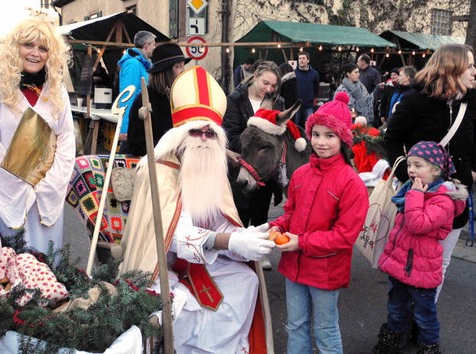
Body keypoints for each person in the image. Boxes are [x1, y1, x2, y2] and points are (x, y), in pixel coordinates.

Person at [118, 66, 275, 353]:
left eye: (210, 133)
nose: (204, 139)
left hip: (202, 261)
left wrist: (243, 237)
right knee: (173, 307)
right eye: (196, 132)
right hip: (160, 267)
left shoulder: (212, 169)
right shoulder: (158, 171)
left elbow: (220, 222)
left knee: (246, 279)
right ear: (180, 135)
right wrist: (227, 241)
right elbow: (172, 236)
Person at [268, 92, 368, 354]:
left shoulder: (351, 183)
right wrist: (278, 225)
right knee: (295, 325)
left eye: (330, 135)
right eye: (316, 134)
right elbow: (292, 212)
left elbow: (344, 236)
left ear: (343, 139)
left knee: (325, 329)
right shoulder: (300, 174)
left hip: (326, 270)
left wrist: (300, 242)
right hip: (294, 266)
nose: (321, 142)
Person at [384, 43, 476, 301]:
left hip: (455, 197)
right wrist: (408, 178)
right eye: (469, 65)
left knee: (441, 261)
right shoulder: (414, 101)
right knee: (408, 257)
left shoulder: (472, 102)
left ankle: (423, 318)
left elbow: (475, 140)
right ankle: (401, 319)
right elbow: (393, 139)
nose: (475, 71)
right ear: (451, 68)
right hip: (419, 198)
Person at [0, 18, 75, 254]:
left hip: (46, 193)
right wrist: (21, 185)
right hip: (7, 191)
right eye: (28, 45)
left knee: (47, 263)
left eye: (43, 48)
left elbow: (66, 139)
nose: (35, 53)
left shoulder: (57, 90)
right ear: (15, 46)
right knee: (11, 262)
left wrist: (49, 184)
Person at [374, 141, 467, 354]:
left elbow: (418, 224)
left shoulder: (443, 200)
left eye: (418, 165)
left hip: (422, 270)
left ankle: (429, 346)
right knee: (396, 309)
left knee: (425, 315)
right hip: (400, 265)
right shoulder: (412, 190)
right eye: (409, 165)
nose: (411, 170)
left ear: (436, 169)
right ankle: (393, 339)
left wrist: (415, 194)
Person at [223, 60, 284, 270]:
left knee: (260, 209)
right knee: (240, 209)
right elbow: (230, 132)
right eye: (265, 83)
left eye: (273, 86)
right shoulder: (236, 99)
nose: (268, 89)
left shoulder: (278, 102)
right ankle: (237, 249)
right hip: (241, 162)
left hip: (266, 167)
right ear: (255, 75)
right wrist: (253, 148)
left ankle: (259, 250)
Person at [125, 43, 190, 156]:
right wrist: (172, 145)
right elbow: (136, 146)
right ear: (165, 72)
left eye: (183, 66)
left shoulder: (181, 98)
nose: (183, 71)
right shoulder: (144, 100)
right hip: (153, 166)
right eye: (178, 67)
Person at [117, 30, 156, 146]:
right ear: (146, 46)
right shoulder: (133, 64)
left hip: (141, 121)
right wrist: (125, 129)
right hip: (133, 125)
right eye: (153, 44)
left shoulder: (143, 65)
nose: (155, 47)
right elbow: (127, 96)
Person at [294, 51, 319, 127]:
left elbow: (316, 88)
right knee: (295, 126)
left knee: (310, 126)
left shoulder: (314, 74)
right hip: (295, 105)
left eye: (303, 58)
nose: (301, 60)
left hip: (308, 105)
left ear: (308, 60)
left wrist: (312, 99)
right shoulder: (293, 73)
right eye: (300, 58)